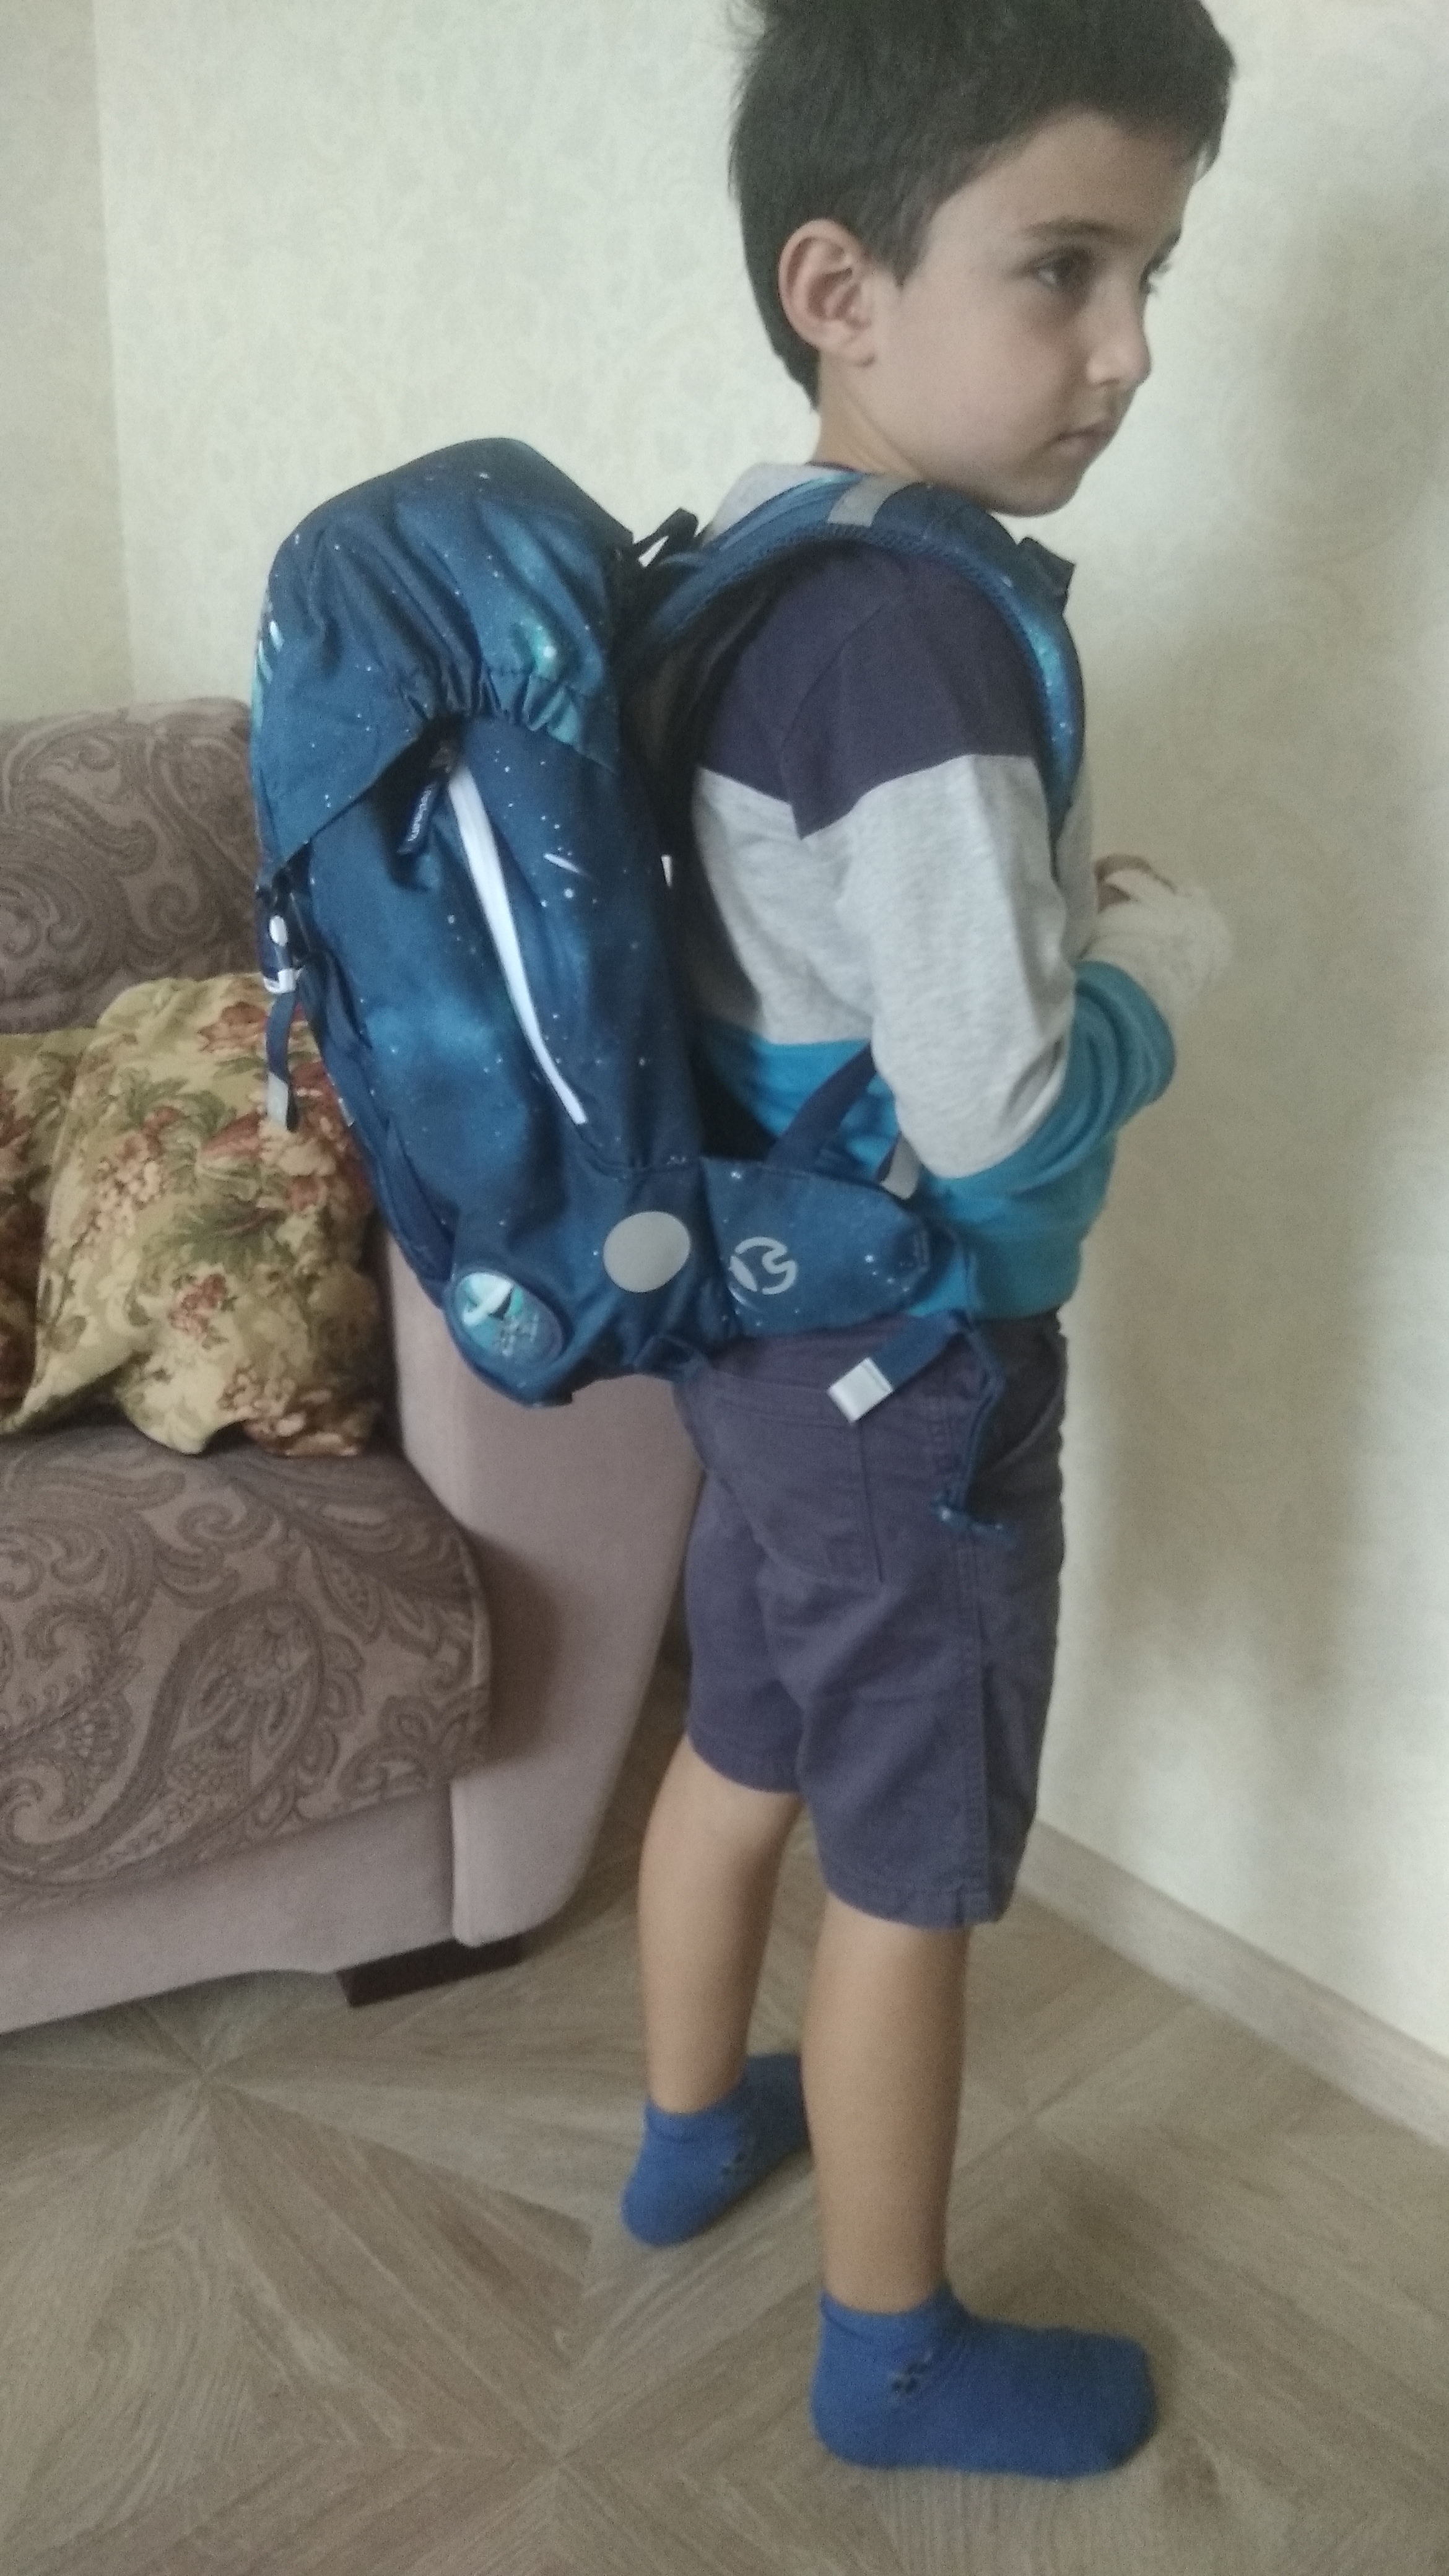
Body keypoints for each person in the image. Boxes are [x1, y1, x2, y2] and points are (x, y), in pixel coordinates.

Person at [620, 0, 1235, 2479]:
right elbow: (992, 1101)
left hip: (756, 1341)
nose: (1128, 347)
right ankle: (888, 2350)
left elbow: (818, 968)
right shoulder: (922, 636)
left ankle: (686, 2133)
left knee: (741, 1736)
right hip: (913, 1371)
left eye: (1153, 272)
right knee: (909, 1864)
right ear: (839, 285)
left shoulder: (751, 561)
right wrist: (1159, 969)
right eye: (1064, 267)